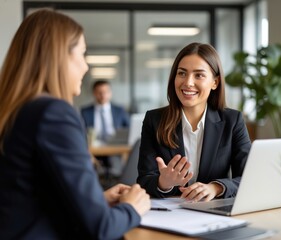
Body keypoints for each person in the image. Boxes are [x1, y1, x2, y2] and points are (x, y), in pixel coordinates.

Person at [0, 9, 150, 240]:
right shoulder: (54, 113)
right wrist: (133, 207)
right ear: (59, 57)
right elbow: (100, 228)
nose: (85, 66)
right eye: (82, 54)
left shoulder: (15, 110)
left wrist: (96, 200)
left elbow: (29, 198)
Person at [137, 42, 251, 202]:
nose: (188, 82)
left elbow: (249, 178)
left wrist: (215, 187)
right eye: (182, 73)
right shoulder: (154, 120)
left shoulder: (232, 121)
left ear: (215, 82)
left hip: (215, 215)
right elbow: (143, 181)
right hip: (171, 215)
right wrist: (164, 183)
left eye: (199, 75)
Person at [81, 80, 130, 177]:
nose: (103, 95)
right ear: (94, 93)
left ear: (110, 93)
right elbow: (82, 131)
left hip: (116, 150)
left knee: (118, 171)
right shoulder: (85, 111)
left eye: (106, 92)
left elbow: (129, 128)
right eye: (99, 92)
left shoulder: (119, 110)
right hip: (94, 151)